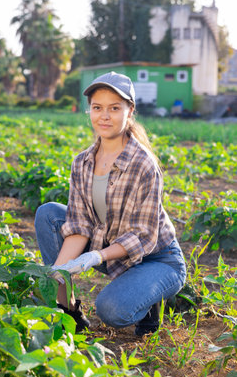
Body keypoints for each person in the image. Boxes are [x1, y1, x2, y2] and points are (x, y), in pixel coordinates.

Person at [35, 71, 186, 335]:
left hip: (156, 258)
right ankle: (67, 311)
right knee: (48, 214)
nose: (104, 116)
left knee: (112, 310)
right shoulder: (82, 162)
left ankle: (149, 298)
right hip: (109, 243)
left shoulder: (144, 164)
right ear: (89, 111)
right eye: (97, 108)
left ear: (130, 112)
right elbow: (79, 226)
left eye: (114, 108)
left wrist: (97, 256)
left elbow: (143, 238)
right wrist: (58, 272)